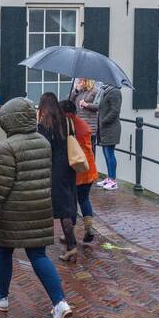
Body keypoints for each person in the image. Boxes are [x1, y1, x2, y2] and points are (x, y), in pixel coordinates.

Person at [0, 98, 73, 318]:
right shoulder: (43, 142)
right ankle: (60, 302)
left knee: (3, 251)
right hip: (40, 207)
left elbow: (1, 187)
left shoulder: (8, 147)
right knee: (39, 256)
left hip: (13, 211)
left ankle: (1, 297)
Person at [38, 93, 79, 261]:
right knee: (68, 202)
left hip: (55, 167)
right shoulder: (67, 121)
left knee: (63, 208)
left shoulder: (45, 123)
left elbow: (44, 147)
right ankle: (71, 243)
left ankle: (71, 246)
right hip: (69, 166)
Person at [61, 99, 97, 243]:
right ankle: (89, 227)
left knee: (71, 203)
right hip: (88, 169)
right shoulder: (83, 125)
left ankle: (70, 234)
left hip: (75, 171)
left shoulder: (68, 127)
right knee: (84, 199)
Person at [89, 83, 122, 189]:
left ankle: (113, 180)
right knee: (106, 153)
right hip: (104, 129)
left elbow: (115, 111)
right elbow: (100, 107)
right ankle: (109, 178)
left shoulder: (114, 92)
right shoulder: (105, 91)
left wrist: (103, 121)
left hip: (110, 129)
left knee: (110, 153)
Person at [69, 79, 98, 143]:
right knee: (80, 148)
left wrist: (86, 105)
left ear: (87, 81)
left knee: (90, 149)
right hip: (79, 124)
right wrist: (76, 91)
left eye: (81, 80)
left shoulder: (94, 91)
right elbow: (69, 101)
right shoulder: (79, 91)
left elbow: (98, 106)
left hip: (90, 125)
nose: (79, 82)